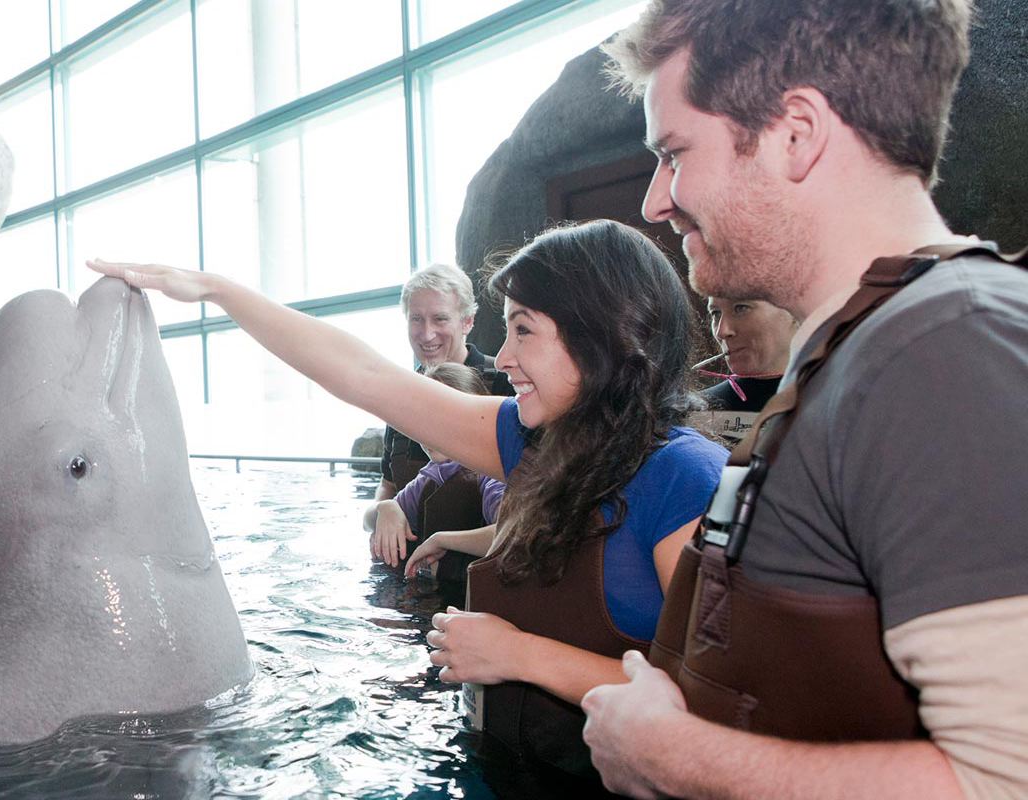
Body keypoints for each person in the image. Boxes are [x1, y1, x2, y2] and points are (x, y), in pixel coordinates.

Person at [88, 219, 729, 785]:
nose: (502, 358)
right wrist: (220, 291)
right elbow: (366, 376)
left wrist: (518, 655)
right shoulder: (536, 442)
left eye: (523, 331)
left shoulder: (687, 476)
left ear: (600, 338)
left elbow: (714, 703)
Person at [581, 1, 1028, 798]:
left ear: (796, 132)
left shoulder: (942, 351)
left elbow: (1005, 777)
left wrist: (670, 756)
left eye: (674, 153)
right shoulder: (862, 347)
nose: (656, 202)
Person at [376, 263, 511, 504]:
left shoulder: (506, 383)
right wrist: (382, 511)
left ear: (467, 322)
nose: (427, 334)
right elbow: (387, 487)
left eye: (440, 319)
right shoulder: (400, 397)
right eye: (416, 319)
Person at [364, 362, 504, 584]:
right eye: (420, 419)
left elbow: (515, 533)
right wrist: (386, 507)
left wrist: (442, 540)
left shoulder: (492, 473)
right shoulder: (431, 476)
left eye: (441, 417)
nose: (427, 430)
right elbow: (367, 522)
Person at [695, 297, 797, 412]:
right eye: (716, 314)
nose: (722, 332)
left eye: (740, 308)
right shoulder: (694, 413)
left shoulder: (820, 405)